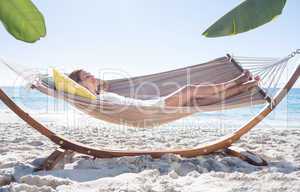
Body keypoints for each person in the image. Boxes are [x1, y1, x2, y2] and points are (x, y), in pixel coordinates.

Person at [68, 69, 259, 107]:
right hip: (150, 109)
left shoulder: (102, 92)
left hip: (150, 104)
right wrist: (44, 87)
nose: (92, 75)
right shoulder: (92, 99)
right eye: (86, 76)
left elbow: (103, 84)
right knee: (190, 89)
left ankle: (242, 88)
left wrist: (94, 83)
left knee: (197, 101)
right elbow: (65, 91)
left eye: (90, 73)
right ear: (80, 84)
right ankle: (238, 81)